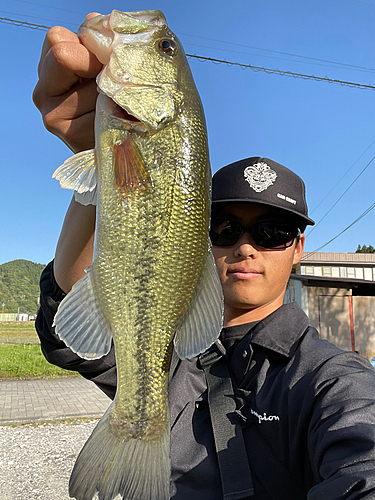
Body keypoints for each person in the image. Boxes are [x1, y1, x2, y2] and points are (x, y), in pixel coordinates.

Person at [33, 21, 375, 500]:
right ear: (193, 233)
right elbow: (67, 333)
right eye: (225, 229)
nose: (246, 247)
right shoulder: (173, 356)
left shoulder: (333, 382)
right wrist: (100, 156)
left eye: (273, 232)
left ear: (299, 248)